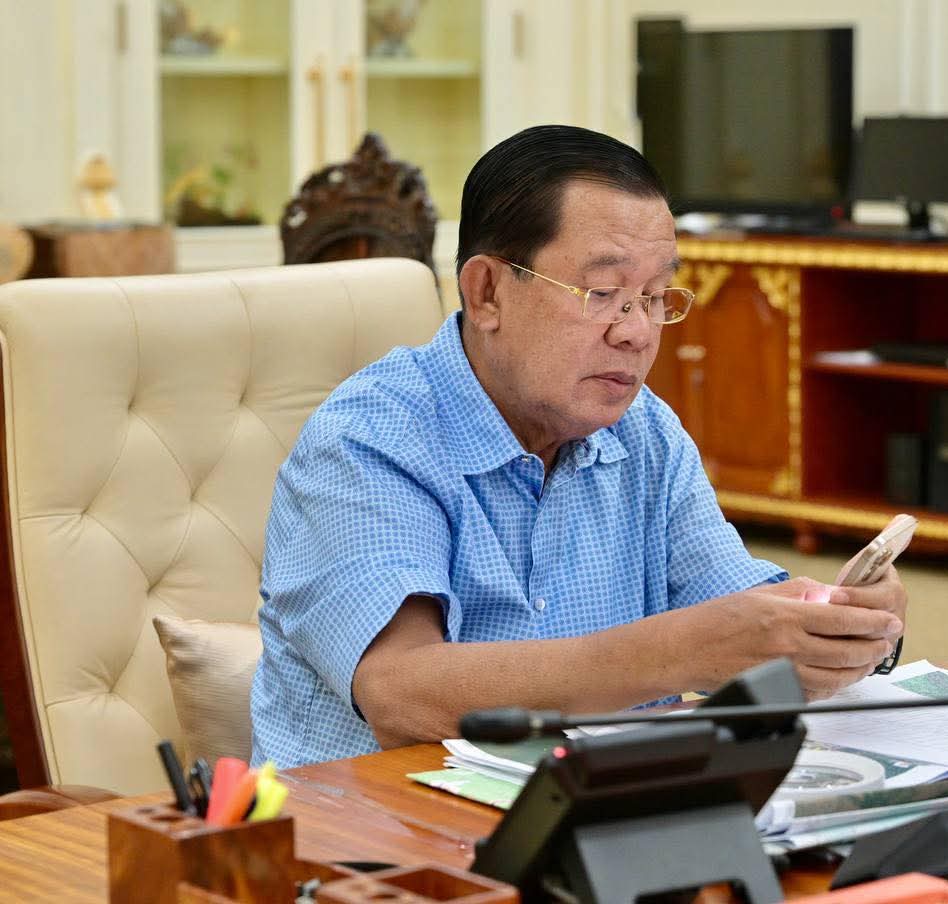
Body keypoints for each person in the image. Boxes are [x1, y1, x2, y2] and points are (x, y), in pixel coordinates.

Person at [250, 125, 907, 768]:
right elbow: (400, 694)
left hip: (596, 811)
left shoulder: (645, 431)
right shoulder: (368, 439)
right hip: (381, 827)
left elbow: (735, 613)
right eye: (603, 293)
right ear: (486, 292)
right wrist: (677, 653)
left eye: (655, 297)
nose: (637, 332)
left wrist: (844, 626)